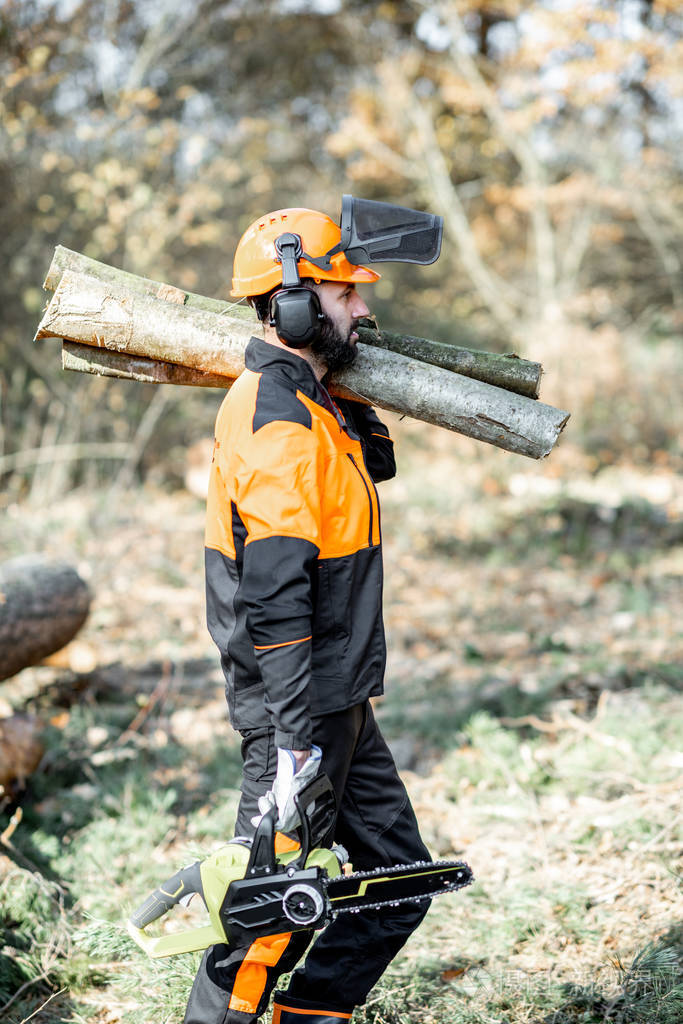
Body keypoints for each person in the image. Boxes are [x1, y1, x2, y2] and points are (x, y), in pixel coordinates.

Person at [184, 206, 432, 1024]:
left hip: (339, 697)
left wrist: (353, 398)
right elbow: (275, 592)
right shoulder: (276, 419)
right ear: (291, 302)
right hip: (301, 711)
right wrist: (292, 743)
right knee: (262, 918)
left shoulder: (312, 403)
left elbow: (371, 473)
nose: (363, 307)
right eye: (343, 294)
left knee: (397, 882)